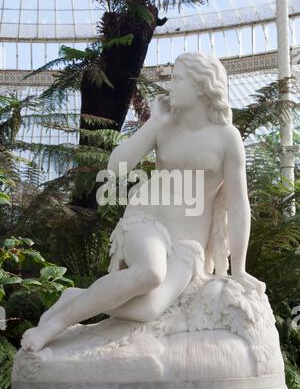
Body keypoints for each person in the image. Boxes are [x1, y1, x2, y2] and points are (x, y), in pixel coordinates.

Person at [21, 51, 265, 353]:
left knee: (149, 308)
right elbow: (116, 169)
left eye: (177, 79)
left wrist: (237, 269)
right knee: (151, 272)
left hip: (189, 244)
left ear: (202, 86)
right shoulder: (164, 126)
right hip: (148, 221)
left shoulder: (227, 137)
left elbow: (239, 205)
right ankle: (59, 322)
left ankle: (75, 298)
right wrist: (153, 123)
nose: (170, 85)